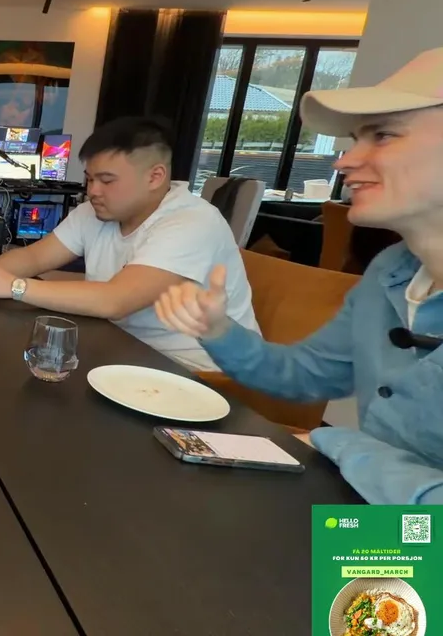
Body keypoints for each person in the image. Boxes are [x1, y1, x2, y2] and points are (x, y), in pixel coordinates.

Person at [155, 47, 443, 505]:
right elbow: (303, 377)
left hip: (406, 540)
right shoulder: (391, 271)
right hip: (375, 521)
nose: (343, 161)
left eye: (384, 135)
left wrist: (340, 444)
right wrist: (219, 330)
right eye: (355, 139)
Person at [0, 116, 259, 371]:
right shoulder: (94, 213)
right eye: (90, 179)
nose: (93, 191)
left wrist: (14, 286)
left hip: (197, 373)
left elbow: (115, 300)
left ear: (155, 177)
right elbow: (34, 258)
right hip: (123, 352)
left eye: (107, 180)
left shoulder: (192, 222)